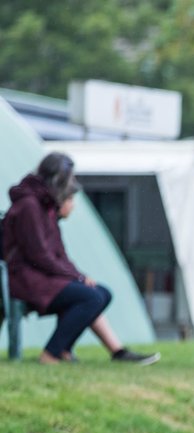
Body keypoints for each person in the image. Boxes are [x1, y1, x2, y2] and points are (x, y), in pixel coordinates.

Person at [3, 152, 157, 365]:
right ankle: (51, 354)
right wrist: (75, 277)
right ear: (58, 179)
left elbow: (58, 253)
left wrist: (78, 276)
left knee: (100, 293)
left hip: (38, 275)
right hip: (23, 278)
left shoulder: (45, 207)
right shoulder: (30, 206)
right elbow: (39, 255)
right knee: (90, 297)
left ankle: (72, 350)